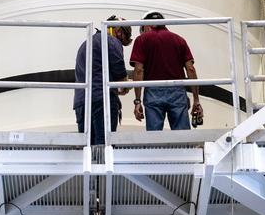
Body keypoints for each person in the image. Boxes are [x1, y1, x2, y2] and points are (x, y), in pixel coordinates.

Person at [130, 12, 202, 131]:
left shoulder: (141, 40)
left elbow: (138, 70)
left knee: (154, 137)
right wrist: (196, 100)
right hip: (177, 91)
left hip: (152, 91)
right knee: (182, 137)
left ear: (147, 26)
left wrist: (137, 101)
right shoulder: (179, 40)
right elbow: (191, 69)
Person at [73, 16, 132, 145]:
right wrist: (127, 86)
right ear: (119, 31)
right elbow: (120, 73)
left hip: (82, 102)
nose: (121, 43)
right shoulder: (111, 40)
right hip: (102, 100)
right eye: (123, 40)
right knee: (104, 143)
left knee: (87, 145)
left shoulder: (85, 44)